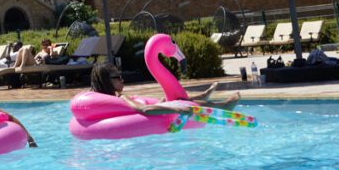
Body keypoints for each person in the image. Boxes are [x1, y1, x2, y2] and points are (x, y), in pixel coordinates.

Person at [89, 63, 240, 114]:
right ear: (106, 81)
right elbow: (144, 110)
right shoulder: (121, 98)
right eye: (118, 77)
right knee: (180, 102)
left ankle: (205, 96)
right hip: (152, 115)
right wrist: (177, 110)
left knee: (174, 100)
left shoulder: (105, 100)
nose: (122, 80)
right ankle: (224, 106)